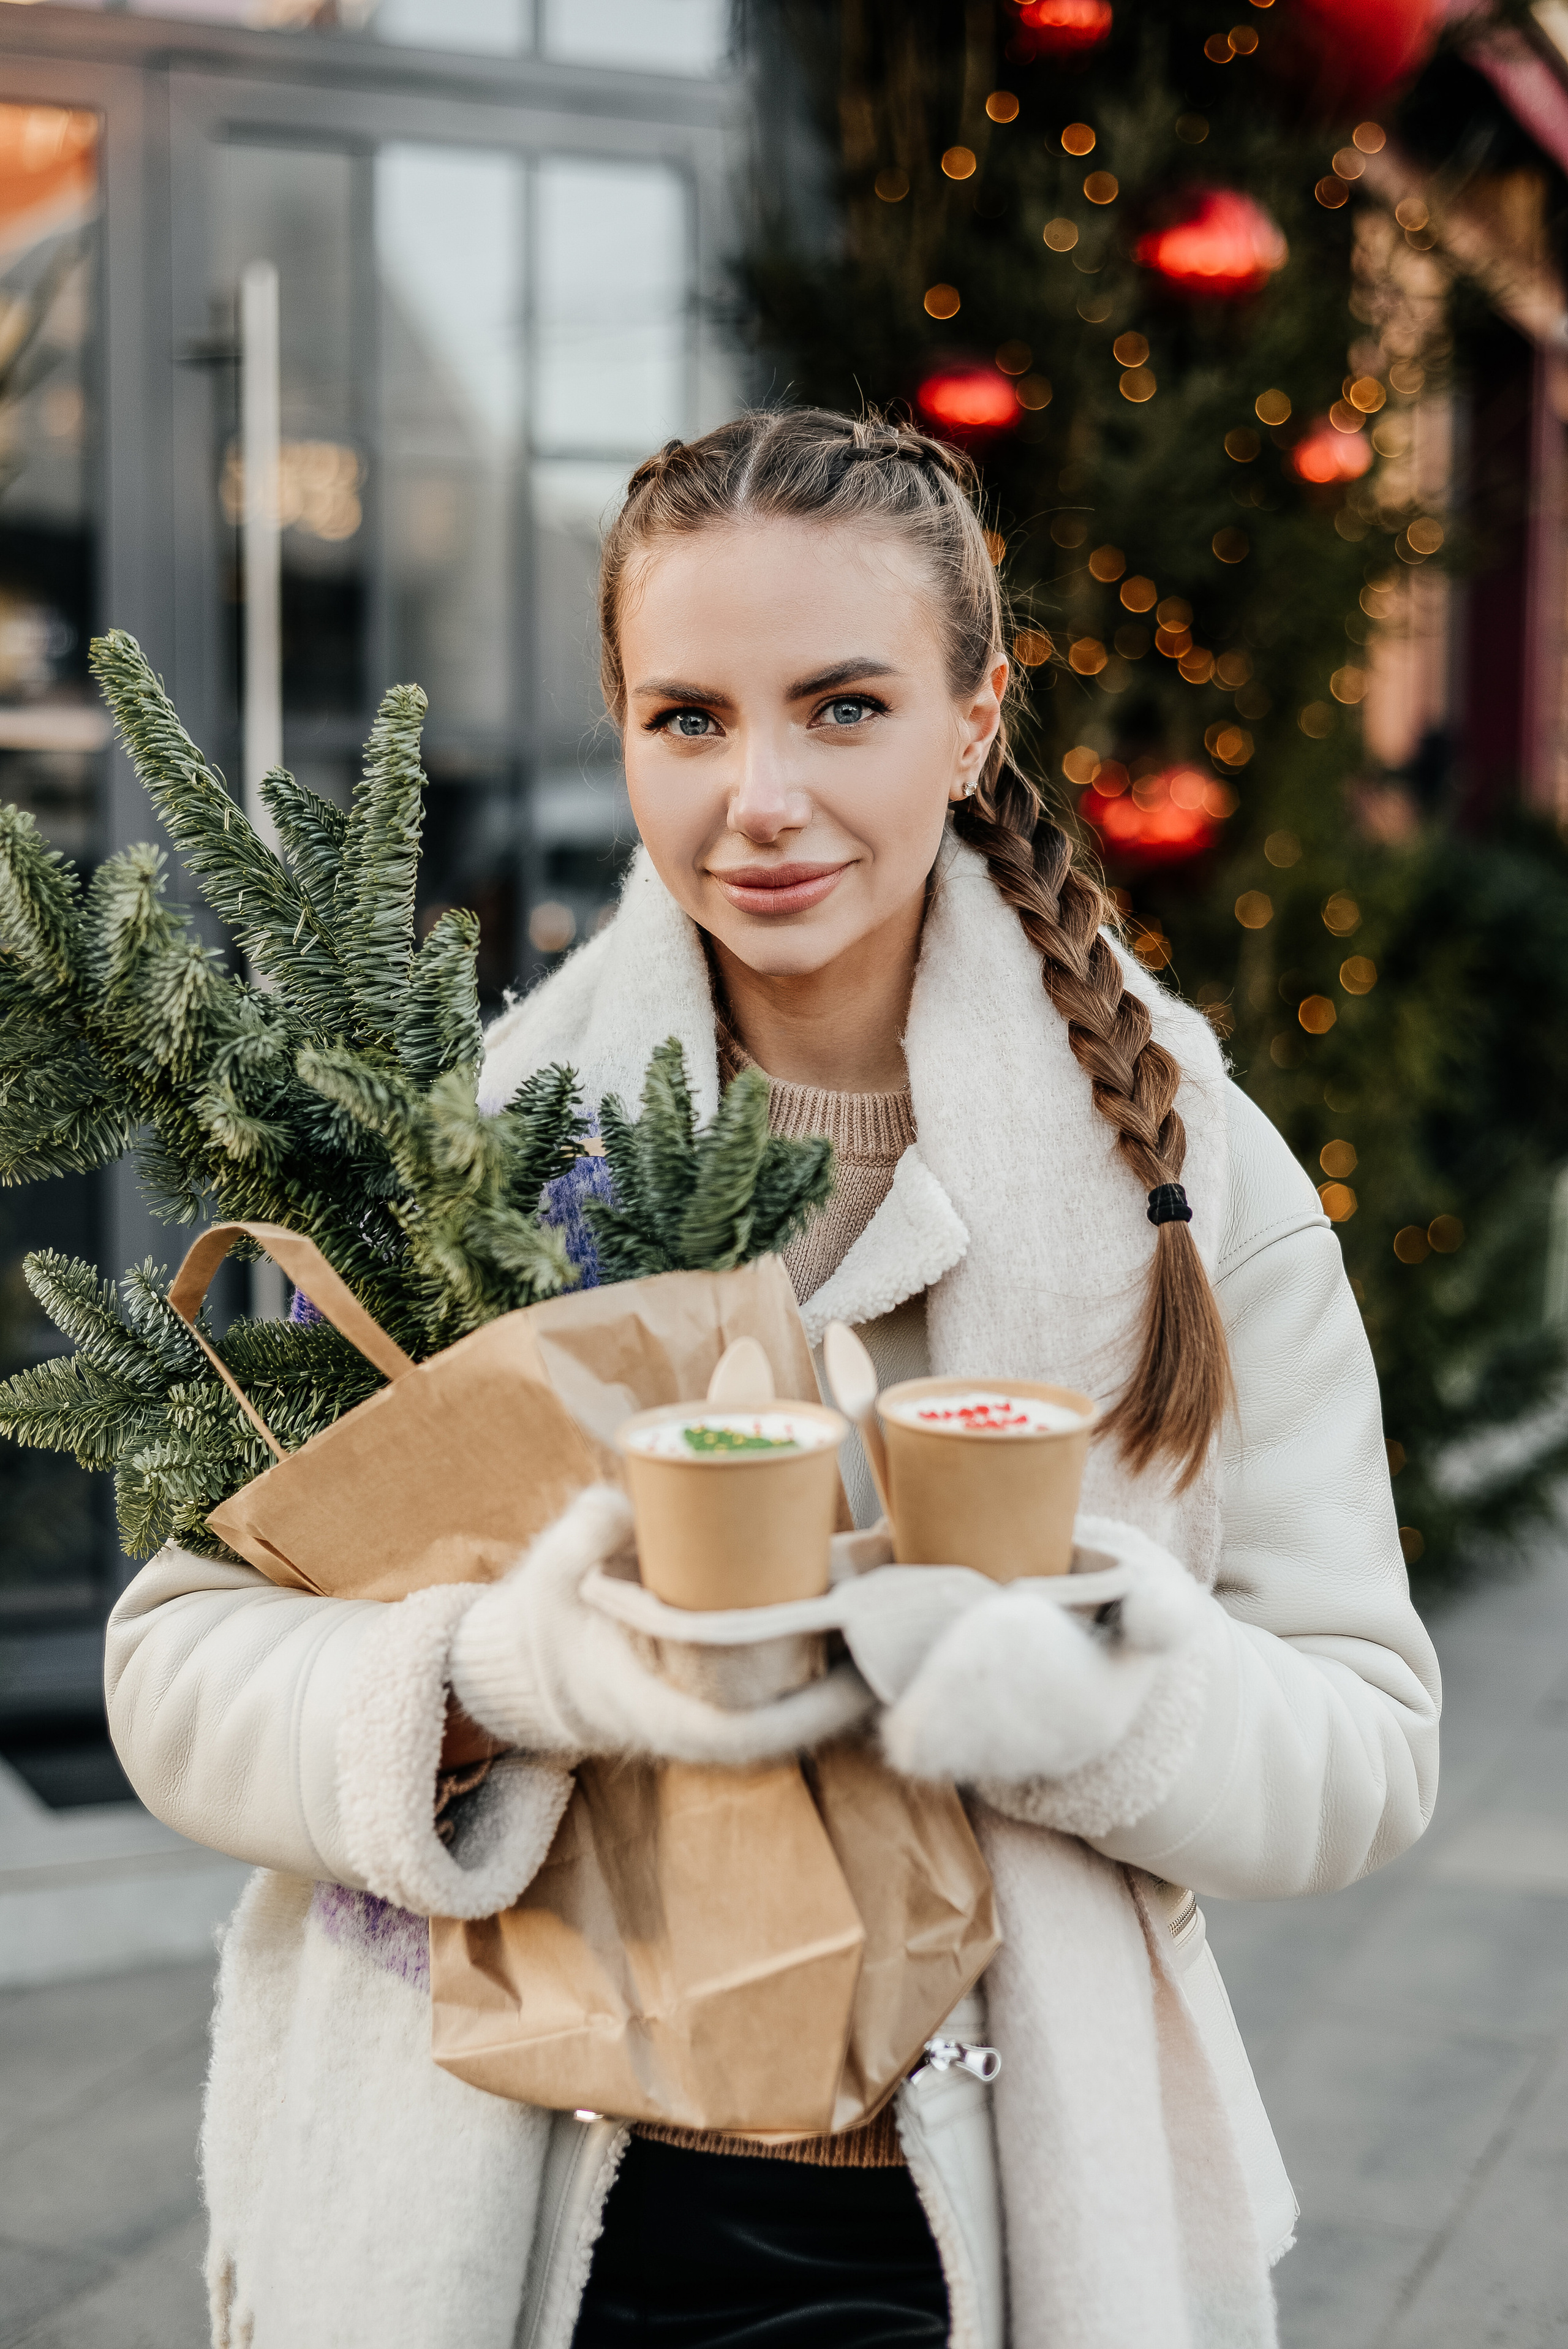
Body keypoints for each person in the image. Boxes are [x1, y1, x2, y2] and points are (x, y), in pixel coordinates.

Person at [106, 408, 1440, 2349]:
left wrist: (1077, 1683)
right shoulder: (468, 1147)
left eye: (842, 707)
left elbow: (1368, 1739)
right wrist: (489, 1678)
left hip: (980, 2218)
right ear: (621, 723)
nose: (762, 799)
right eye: (691, 718)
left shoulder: (1187, 1178)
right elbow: (178, 1659)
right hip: (501, 2191)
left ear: (976, 718)